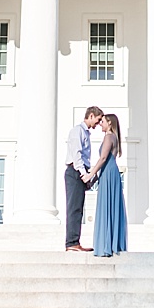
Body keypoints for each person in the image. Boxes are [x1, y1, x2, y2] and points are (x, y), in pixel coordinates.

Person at [84, 113, 128, 257]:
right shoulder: (113, 137)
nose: (100, 124)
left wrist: (90, 174)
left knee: (106, 206)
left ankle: (106, 245)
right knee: (109, 206)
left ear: (109, 123)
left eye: (102, 121)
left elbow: (103, 158)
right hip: (109, 172)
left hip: (109, 173)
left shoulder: (109, 137)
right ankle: (110, 243)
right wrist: (96, 177)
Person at [63, 106, 103, 253]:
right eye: (98, 120)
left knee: (78, 209)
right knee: (74, 208)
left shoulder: (85, 133)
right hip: (75, 172)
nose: (98, 124)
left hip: (80, 171)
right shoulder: (77, 131)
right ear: (91, 116)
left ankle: (74, 241)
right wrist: (83, 174)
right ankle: (72, 242)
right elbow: (77, 155)